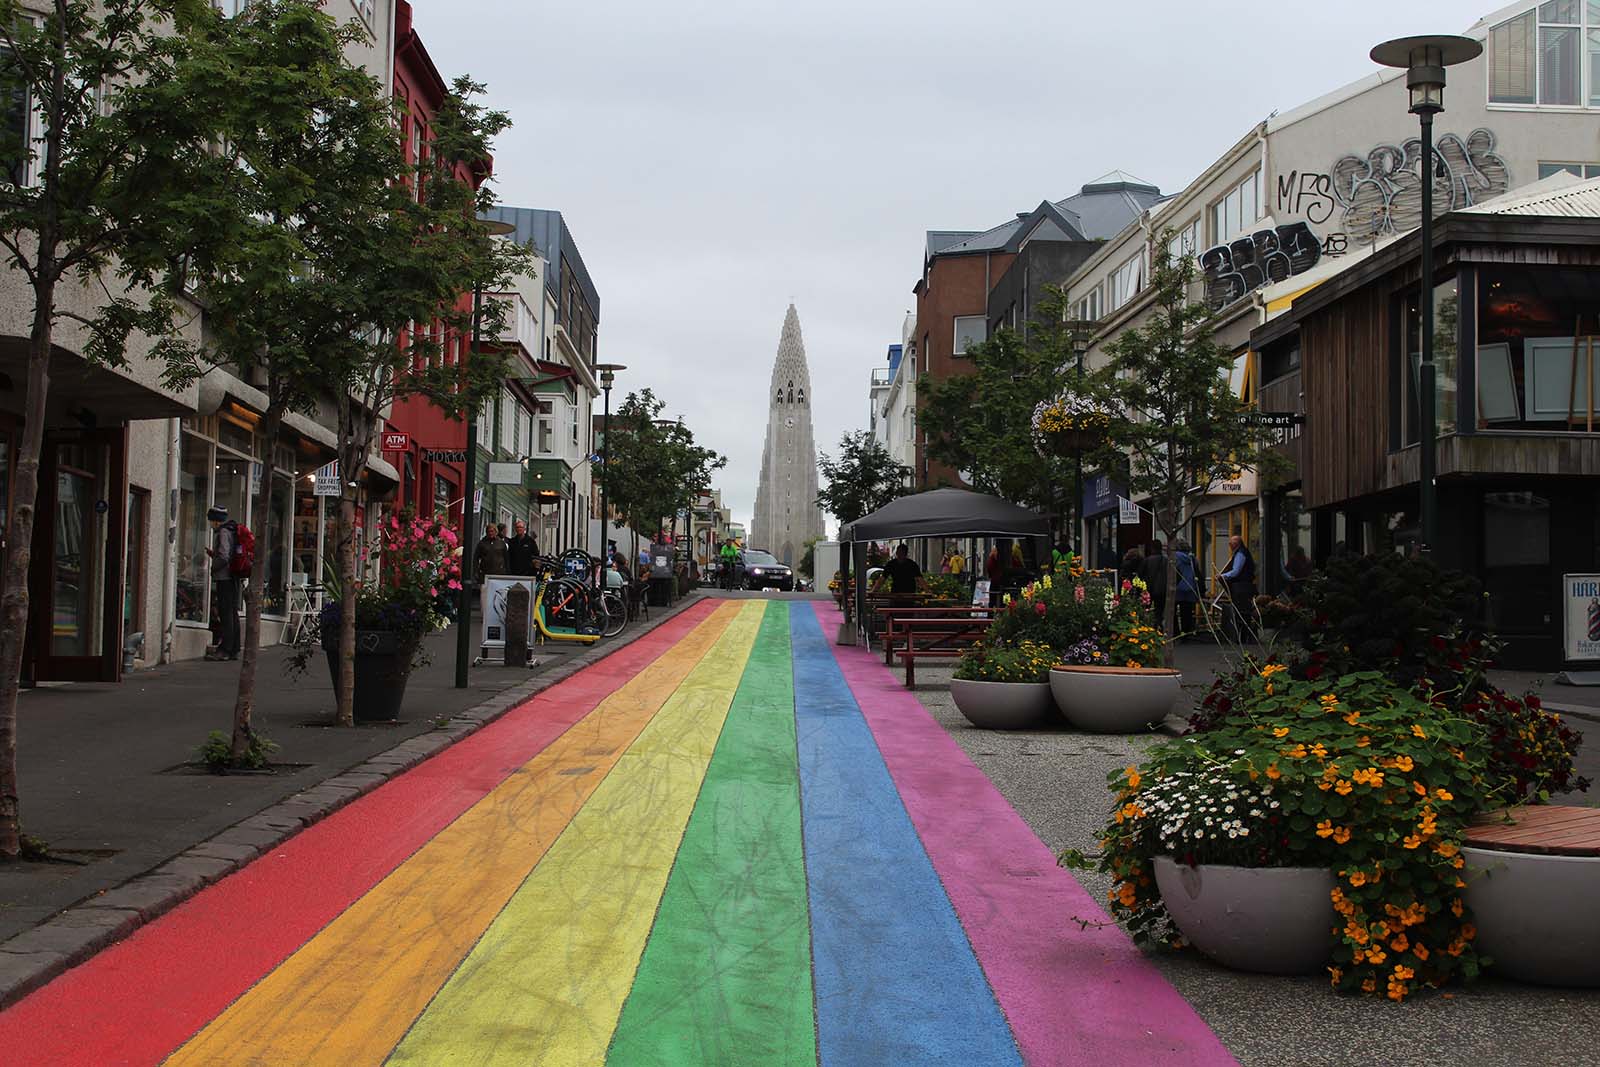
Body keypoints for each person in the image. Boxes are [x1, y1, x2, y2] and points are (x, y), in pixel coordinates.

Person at [204, 506, 240, 661]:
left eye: (211, 520)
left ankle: (224, 649)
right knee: (232, 613)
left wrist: (214, 567)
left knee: (226, 614)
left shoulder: (223, 533)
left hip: (224, 578)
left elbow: (224, 556)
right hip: (233, 577)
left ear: (216, 521)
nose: (210, 524)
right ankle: (234, 648)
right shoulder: (232, 531)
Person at [1219, 534, 1258, 643]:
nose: (1229, 545)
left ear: (1236, 544)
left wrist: (1223, 576)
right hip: (1244, 587)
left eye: (1231, 543)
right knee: (1243, 612)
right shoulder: (1242, 552)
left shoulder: (1240, 554)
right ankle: (1243, 637)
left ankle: (1242, 637)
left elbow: (1236, 571)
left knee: (1241, 612)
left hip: (1241, 587)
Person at [1173, 540, 1200, 639]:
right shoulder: (1192, 559)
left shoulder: (1174, 557)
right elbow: (1197, 573)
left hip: (1177, 587)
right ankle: (1187, 632)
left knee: (1173, 612)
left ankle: (1175, 632)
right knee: (1187, 612)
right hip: (1190, 587)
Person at [1140, 539, 1168, 630]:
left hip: (1150, 589)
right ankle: (1158, 624)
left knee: (1147, 609)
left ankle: (1148, 626)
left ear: (1152, 548)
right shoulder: (1166, 561)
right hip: (1162, 590)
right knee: (1159, 609)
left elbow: (1140, 574)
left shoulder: (1147, 561)